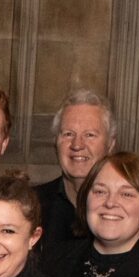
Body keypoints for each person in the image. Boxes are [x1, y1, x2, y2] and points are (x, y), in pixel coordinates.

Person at [37, 90, 116, 267]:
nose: (77, 145)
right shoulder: (30, 204)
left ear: (110, 144)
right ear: (55, 142)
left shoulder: (123, 212)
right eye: (68, 134)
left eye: (90, 135)